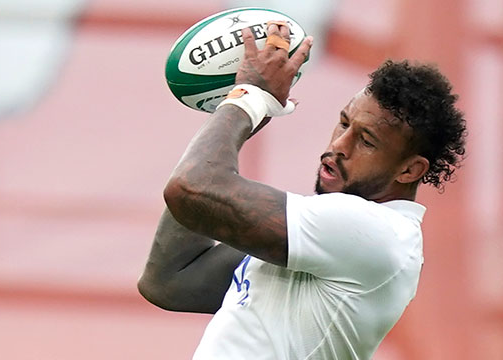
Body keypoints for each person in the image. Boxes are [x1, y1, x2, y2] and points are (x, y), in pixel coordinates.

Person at [138, 21, 466, 360]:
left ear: (410, 169)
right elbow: (169, 280)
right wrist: (239, 115)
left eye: (366, 140)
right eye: (343, 122)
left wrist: (245, 103)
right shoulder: (333, 236)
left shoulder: (373, 231)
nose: (340, 144)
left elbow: (191, 188)